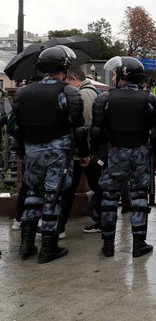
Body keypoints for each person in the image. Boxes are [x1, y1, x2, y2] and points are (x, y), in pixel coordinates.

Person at [10, 46, 87, 263]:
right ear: (64, 66)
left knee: (32, 194)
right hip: (58, 151)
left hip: (32, 151)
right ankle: (48, 246)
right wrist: (85, 153)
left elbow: (17, 126)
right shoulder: (68, 92)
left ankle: (26, 244)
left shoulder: (24, 92)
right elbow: (78, 127)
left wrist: (24, 150)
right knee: (54, 197)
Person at [91, 57, 156, 257]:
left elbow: (96, 131)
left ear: (121, 76)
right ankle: (138, 244)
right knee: (139, 197)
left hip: (114, 152)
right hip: (140, 152)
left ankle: (108, 244)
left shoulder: (105, 99)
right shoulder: (149, 99)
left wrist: (97, 152)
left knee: (109, 198)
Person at [59, 66, 99, 238]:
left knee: (68, 189)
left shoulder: (83, 95)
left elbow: (82, 125)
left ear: (74, 80)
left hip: (82, 151)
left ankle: (59, 226)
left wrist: (85, 152)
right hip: (88, 149)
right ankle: (102, 220)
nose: (66, 85)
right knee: (96, 185)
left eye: (67, 81)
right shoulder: (91, 91)